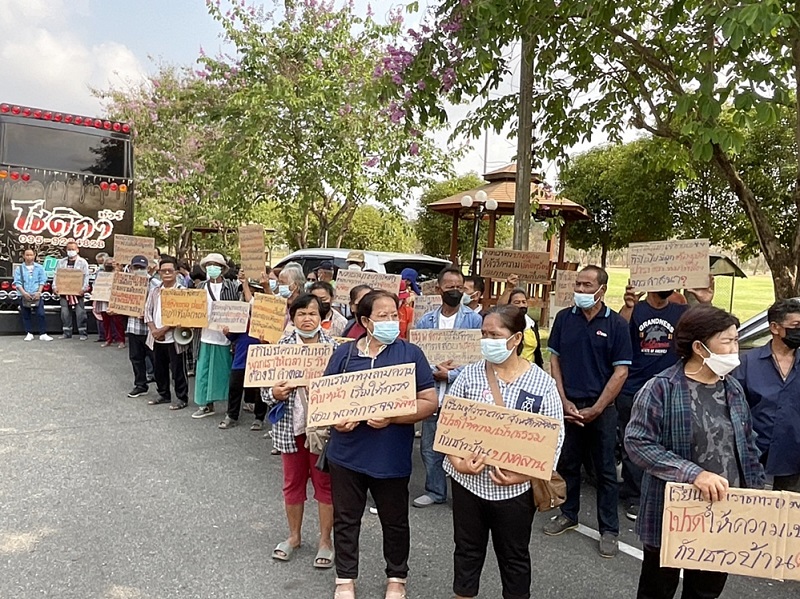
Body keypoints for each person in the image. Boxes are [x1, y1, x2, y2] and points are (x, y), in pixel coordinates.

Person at [625, 305, 764, 599]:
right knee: (657, 591)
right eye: (727, 341)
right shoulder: (660, 389)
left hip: (723, 515)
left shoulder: (733, 389)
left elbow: (746, 445)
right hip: (672, 515)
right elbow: (638, 443)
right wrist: (694, 475)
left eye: (736, 340)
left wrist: (757, 497)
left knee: (705, 592)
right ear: (699, 348)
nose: (735, 349)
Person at [446, 305, 564, 599]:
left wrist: (524, 474)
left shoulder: (542, 384)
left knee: (514, 557)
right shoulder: (469, 376)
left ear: (516, 338)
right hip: (468, 485)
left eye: (495, 335)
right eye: (484, 334)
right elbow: (448, 425)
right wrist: (458, 462)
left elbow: (554, 438)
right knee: (466, 551)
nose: (487, 340)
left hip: (515, 492)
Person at [324, 290, 437, 599]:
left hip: (390, 457)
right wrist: (336, 420)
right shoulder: (344, 355)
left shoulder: (410, 354)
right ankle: (345, 578)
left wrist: (393, 417)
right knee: (346, 519)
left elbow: (429, 401)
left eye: (394, 315)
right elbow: (326, 400)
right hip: (347, 454)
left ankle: (397, 577)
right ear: (365, 321)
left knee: (395, 521)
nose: (391, 321)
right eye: (382, 316)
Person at [544, 265, 632, 557]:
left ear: (601, 290)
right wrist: (563, 400)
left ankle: (609, 530)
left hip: (602, 409)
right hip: (568, 406)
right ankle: (568, 514)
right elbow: (554, 361)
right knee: (568, 463)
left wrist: (597, 407)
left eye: (587, 285)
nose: (580, 290)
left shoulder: (617, 325)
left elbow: (621, 372)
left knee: (604, 471)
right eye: (578, 285)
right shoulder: (564, 319)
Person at [617, 280, 714, 520]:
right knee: (634, 444)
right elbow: (619, 333)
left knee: (670, 444)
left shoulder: (681, 311)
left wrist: (705, 303)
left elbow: (707, 331)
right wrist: (628, 306)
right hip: (634, 387)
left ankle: (671, 494)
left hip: (672, 389)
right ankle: (635, 497)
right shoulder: (636, 309)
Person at [262, 294, 339, 568]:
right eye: (301, 314)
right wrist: (274, 393)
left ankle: (325, 541)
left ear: (322, 317)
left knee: (325, 485)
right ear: (293, 318)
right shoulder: (281, 348)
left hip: (323, 431)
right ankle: (294, 537)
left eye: (313, 313)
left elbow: (345, 388)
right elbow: (264, 389)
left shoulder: (335, 349)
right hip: (290, 428)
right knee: (292, 483)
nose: (307, 319)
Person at [412, 267, 482, 508]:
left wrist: (450, 374)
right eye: (450, 287)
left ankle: (465, 495)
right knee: (430, 448)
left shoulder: (474, 320)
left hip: (460, 394)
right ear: (438, 289)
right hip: (432, 393)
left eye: (459, 287)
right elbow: (419, 355)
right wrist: (433, 370)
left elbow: (477, 361)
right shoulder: (426, 321)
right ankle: (435, 491)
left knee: (462, 446)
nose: (455, 291)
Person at [735, 298, 800, 492]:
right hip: (753, 454)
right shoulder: (748, 363)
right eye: (796, 326)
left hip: (794, 457)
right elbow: (735, 407)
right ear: (774, 328)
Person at [191, 253, 241, 419]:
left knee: (222, 372)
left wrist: (232, 330)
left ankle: (229, 407)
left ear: (222, 268)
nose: (212, 268)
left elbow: (238, 310)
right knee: (203, 372)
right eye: (209, 265)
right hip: (204, 335)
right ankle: (205, 404)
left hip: (224, 338)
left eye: (216, 265)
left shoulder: (232, 287)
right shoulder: (200, 287)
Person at [219, 270, 268, 430]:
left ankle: (259, 418)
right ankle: (231, 415)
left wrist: (265, 341)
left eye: (254, 293)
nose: (248, 297)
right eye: (249, 293)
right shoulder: (241, 316)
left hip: (260, 359)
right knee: (235, 387)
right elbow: (234, 337)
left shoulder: (267, 317)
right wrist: (228, 333)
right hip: (241, 357)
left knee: (260, 390)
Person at [143, 256, 190, 409]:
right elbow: (147, 311)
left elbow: (182, 315)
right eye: (163, 271)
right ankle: (163, 394)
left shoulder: (183, 292)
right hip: (156, 337)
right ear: (159, 273)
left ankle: (182, 398)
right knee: (159, 368)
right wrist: (154, 330)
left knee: (178, 370)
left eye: (170, 270)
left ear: (176, 272)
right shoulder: (155, 291)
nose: (167, 273)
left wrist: (163, 330)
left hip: (175, 338)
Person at [125, 255, 156, 398]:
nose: (139, 270)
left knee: (155, 358)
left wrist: (148, 314)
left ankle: (162, 388)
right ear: (131, 268)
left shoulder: (155, 283)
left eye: (141, 268)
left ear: (147, 268)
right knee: (136, 358)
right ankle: (140, 385)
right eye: (136, 267)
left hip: (151, 328)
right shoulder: (125, 282)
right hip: (133, 327)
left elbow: (161, 305)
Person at [54, 241, 90, 340]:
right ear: (66, 250)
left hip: (78, 292)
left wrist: (84, 288)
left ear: (77, 250)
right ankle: (67, 332)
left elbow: (86, 276)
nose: (71, 251)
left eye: (73, 249)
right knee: (65, 313)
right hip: (64, 292)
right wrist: (54, 287)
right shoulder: (61, 262)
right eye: (69, 249)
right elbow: (56, 275)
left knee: (80, 313)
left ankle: (83, 333)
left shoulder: (83, 262)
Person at [13, 248, 51, 341]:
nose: (29, 257)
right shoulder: (19, 269)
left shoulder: (39, 267)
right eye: (27, 255)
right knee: (26, 315)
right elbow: (17, 282)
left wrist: (39, 292)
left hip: (37, 294)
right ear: (23, 256)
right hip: (24, 294)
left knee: (41, 314)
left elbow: (42, 281)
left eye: (31, 255)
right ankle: (29, 333)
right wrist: (24, 293)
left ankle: (43, 333)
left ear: (34, 256)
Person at [506, 288, 544, 368]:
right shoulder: (505, 324)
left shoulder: (532, 324)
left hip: (530, 369)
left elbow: (537, 352)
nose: (521, 305)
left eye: (524, 302)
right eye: (517, 302)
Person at [277, 263, 305, 328]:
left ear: (295, 285)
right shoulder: (280, 302)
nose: (279, 286)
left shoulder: (305, 304)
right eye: (279, 283)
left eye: (282, 283)